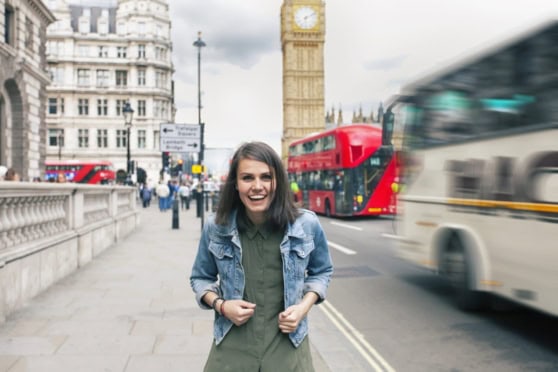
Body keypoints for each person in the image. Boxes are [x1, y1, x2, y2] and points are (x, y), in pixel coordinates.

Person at [190, 141, 334, 372]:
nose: (257, 186)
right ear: (236, 184)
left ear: (278, 182)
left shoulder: (306, 224)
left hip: (288, 349)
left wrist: (302, 308)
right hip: (231, 349)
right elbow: (200, 278)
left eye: (266, 177)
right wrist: (222, 305)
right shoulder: (217, 227)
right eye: (247, 178)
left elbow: (322, 271)